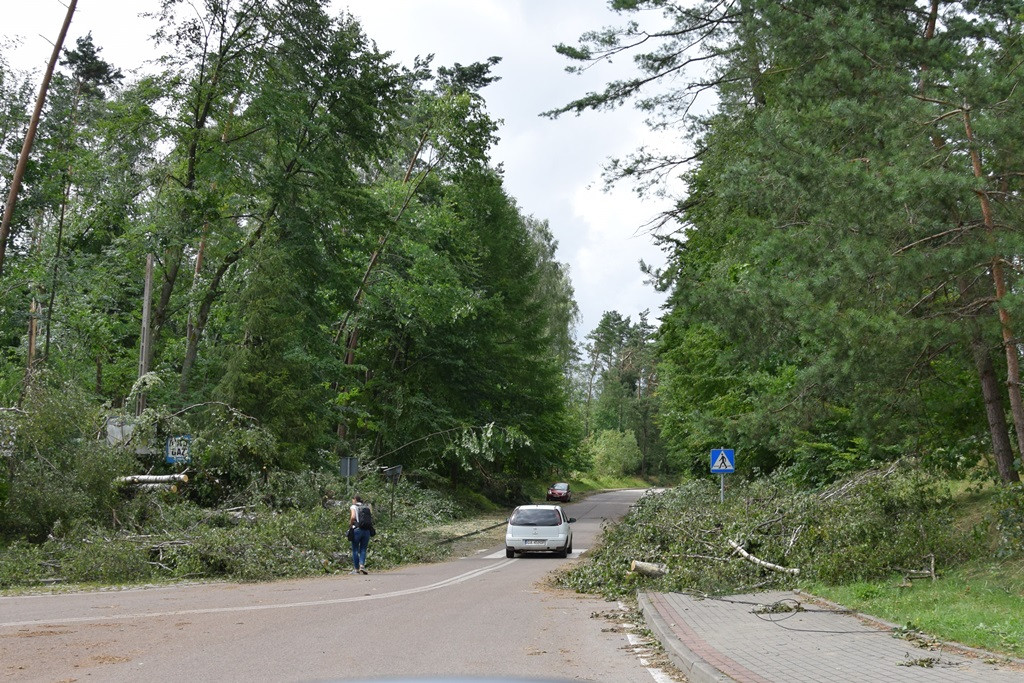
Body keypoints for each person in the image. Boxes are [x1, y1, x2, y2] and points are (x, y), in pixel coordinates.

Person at [349, 495, 371, 575]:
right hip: (366, 531)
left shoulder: (353, 507)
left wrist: (350, 524)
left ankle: (356, 569)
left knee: (355, 549)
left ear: (355, 499)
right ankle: (362, 565)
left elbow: (353, 517)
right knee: (363, 549)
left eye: (352, 499)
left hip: (357, 530)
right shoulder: (367, 507)